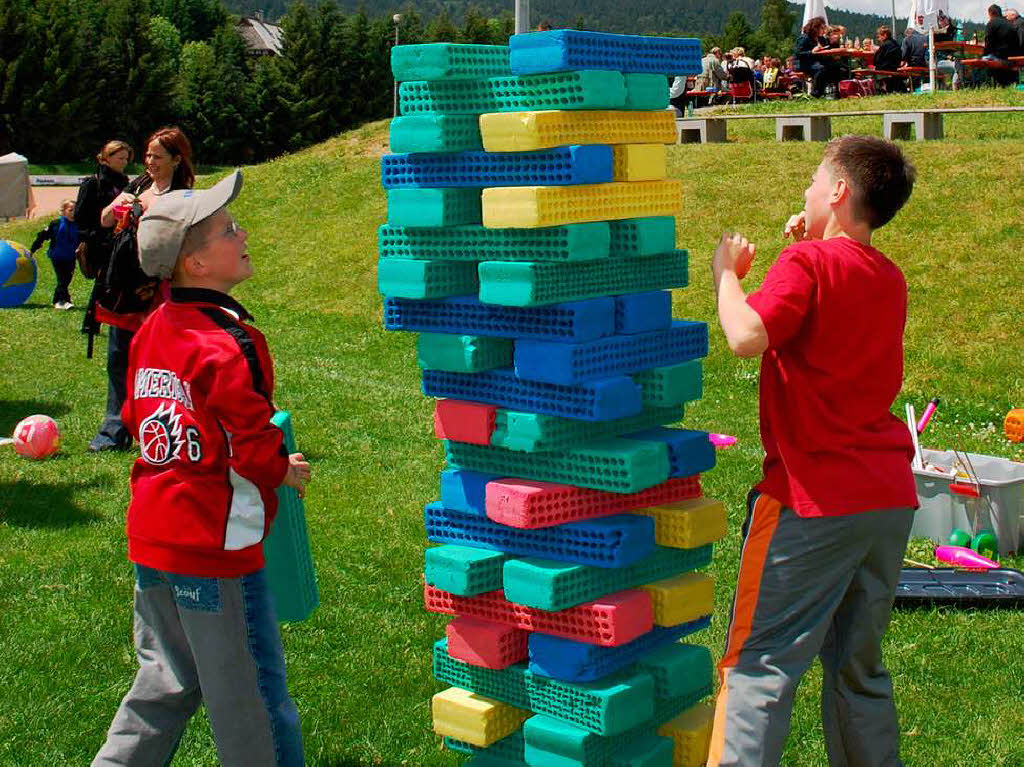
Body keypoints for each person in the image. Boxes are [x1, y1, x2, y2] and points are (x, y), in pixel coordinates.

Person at [706, 135, 918, 767]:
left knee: (758, 666)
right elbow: (825, 322)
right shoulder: (887, 276)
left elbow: (746, 335)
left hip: (812, 499)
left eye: (813, 179)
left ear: (839, 191)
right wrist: (803, 246)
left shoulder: (808, 267)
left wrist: (725, 273)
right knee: (859, 669)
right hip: (885, 499)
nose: (805, 190)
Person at [91, 169, 310, 766]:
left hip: (154, 537)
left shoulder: (153, 328)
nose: (242, 234)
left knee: (165, 680)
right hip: (214, 550)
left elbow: (140, 415)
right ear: (195, 265)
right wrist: (281, 470)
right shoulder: (229, 342)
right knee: (253, 700)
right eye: (226, 230)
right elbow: (251, 439)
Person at [86, 126, 195, 452]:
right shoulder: (138, 185)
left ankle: (169, 429)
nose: (150, 161)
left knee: (164, 365)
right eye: (147, 155)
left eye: (157, 156)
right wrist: (116, 208)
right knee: (119, 359)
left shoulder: (185, 195)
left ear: (176, 159)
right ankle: (113, 433)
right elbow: (104, 220)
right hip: (124, 287)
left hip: (160, 291)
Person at [29, 198, 79, 309]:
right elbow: (42, 236)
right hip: (57, 256)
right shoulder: (56, 224)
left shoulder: (79, 225)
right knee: (63, 278)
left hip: (70, 257)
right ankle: (59, 301)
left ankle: (65, 299)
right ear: (63, 211)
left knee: (68, 278)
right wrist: (33, 249)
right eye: (71, 210)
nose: (73, 213)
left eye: (76, 210)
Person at [795, 16, 829, 96]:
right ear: (815, 28)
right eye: (822, 28)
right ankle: (815, 94)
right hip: (803, 63)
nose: (824, 31)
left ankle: (831, 92)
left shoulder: (821, 39)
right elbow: (798, 53)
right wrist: (811, 52)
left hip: (815, 62)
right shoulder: (804, 38)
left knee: (833, 66)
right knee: (821, 69)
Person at [873, 25, 906, 93]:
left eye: (879, 36)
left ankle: (876, 89)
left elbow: (876, 61)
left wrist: (876, 51)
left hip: (885, 68)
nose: (878, 39)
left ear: (885, 35)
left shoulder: (884, 45)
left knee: (872, 70)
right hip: (894, 67)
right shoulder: (896, 43)